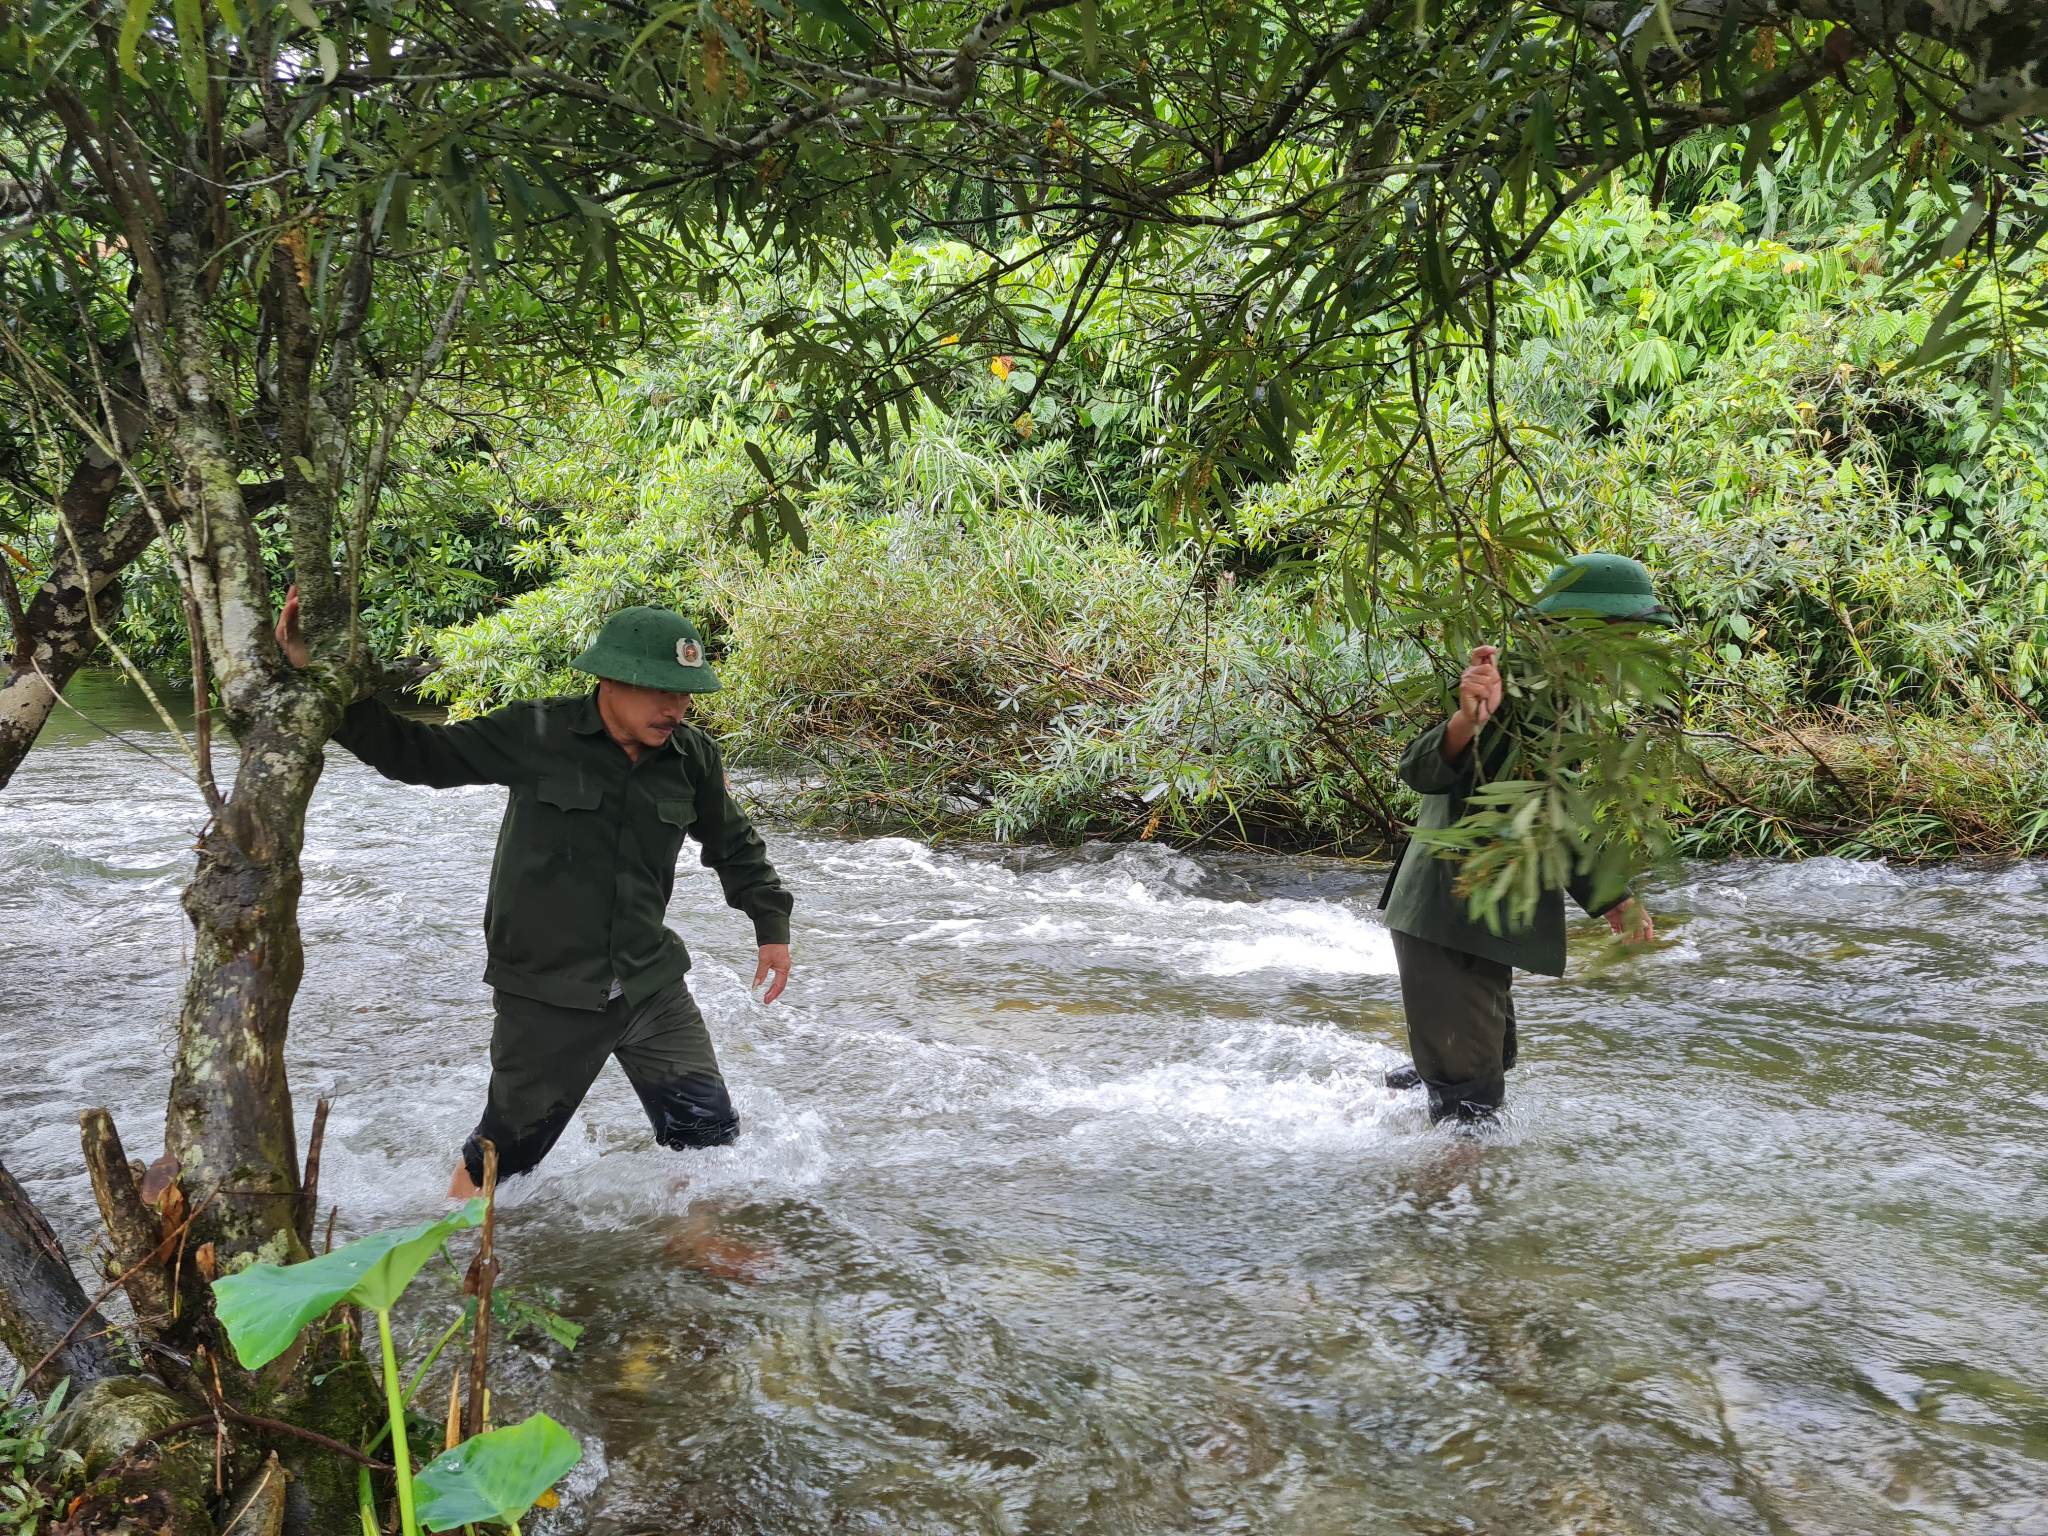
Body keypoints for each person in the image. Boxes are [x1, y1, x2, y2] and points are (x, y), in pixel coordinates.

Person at [277, 592, 794, 1195]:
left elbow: (734, 846)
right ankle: (452, 1256)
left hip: (650, 981)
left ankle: (699, 1247)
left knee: (708, 1135)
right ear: (611, 678)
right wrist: (317, 677)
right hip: (550, 992)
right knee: (502, 1159)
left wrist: (771, 929)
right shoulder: (537, 731)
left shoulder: (692, 758)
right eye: (659, 690)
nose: (675, 707)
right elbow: (418, 756)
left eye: (684, 693)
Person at [1378, 553, 1672, 1124]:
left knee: (1484, 1067)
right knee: (1470, 1102)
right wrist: (1465, 724)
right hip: (1450, 915)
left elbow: (1548, 814)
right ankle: (1437, 1203)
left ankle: (1411, 1158)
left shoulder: (1563, 701)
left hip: (1478, 917)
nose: (1630, 655)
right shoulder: (1504, 688)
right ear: (1575, 630)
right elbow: (1419, 769)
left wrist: (1612, 896)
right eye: (1625, 637)